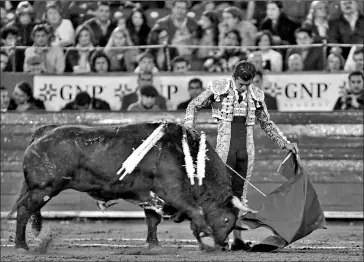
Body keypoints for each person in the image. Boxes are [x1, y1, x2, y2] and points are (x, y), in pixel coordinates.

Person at [184, 60, 298, 250]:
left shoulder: (256, 95)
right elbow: (193, 106)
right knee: (222, 195)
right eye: (241, 84)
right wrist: (189, 130)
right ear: (233, 78)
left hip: (246, 151)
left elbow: (266, 124)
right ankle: (220, 238)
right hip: (224, 150)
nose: (244, 88)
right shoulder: (218, 88)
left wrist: (284, 143)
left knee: (240, 194)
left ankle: (236, 239)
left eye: (248, 84)